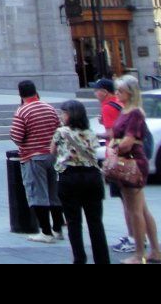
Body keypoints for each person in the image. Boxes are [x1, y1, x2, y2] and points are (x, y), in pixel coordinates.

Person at [109, 75, 161, 264]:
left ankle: (139, 253)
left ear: (130, 93)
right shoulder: (126, 110)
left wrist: (113, 148)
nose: (117, 93)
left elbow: (127, 141)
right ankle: (155, 251)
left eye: (120, 91)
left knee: (135, 210)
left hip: (132, 162)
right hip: (129, 161)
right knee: (141, 208)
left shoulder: (134, 113)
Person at [52, 99, 109, 264]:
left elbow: (52, 150)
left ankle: (79, 258)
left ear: (69, 115)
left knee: (73, 221)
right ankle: (102, 259)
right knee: (95, 221)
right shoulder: (90, 132)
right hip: (92, 177)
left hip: (69, 177)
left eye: (63, 113)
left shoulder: (61, 132)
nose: (62, 116)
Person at [10, 79, 65, 243]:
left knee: (38, 193)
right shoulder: (49, 108)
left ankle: (46, 232)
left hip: (33, 156)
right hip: (52, 155)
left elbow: (17, 137)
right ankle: (57, 229)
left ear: (20, 93)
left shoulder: (22, 111)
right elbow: (59, 129)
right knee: (54, 193)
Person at [93, 79, 136, 254]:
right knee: (134, 202)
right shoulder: (122, 106)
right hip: (130, 158)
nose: (94, 95)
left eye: (96, 91)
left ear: (103, 91)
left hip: (119, 158)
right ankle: (137, 236)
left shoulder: (109, 106)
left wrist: (95, 134)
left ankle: (134, 237)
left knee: (127, 201)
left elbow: (112, 133)